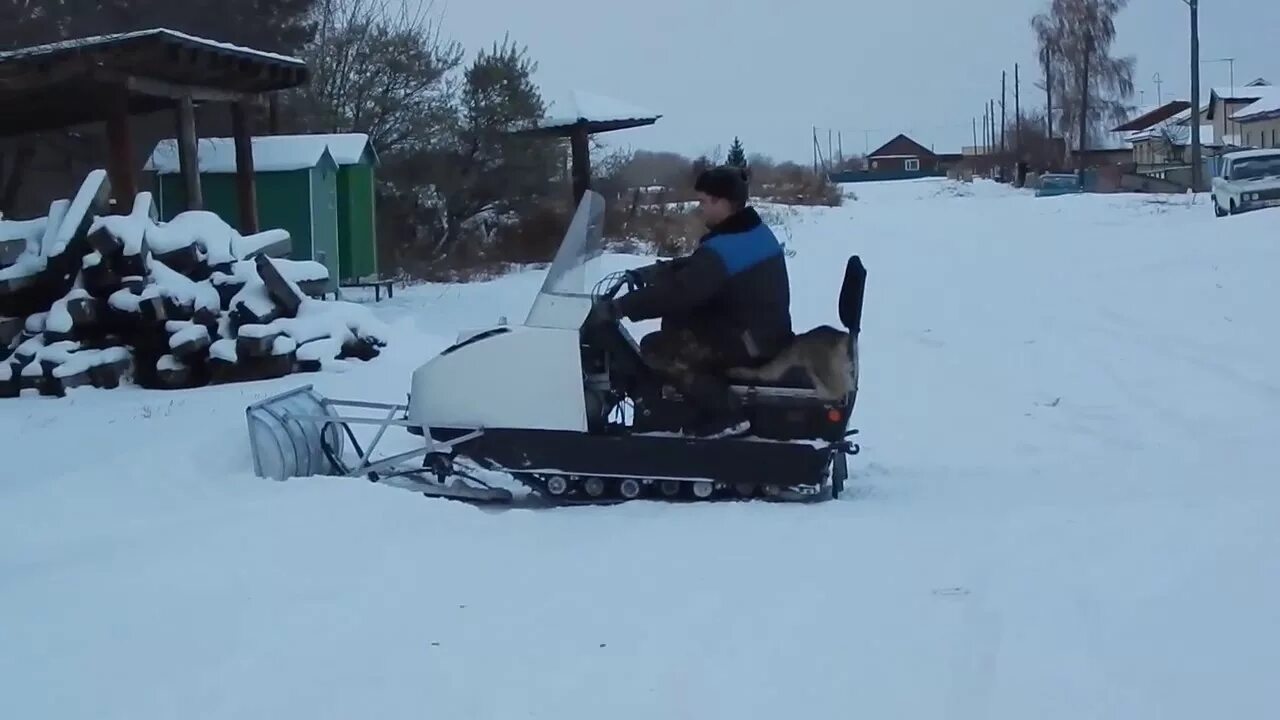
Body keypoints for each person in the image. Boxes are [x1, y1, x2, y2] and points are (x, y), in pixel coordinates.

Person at [588, 164, 793, 438]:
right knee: (678, 325)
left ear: (723, 203)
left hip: (750, 342)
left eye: (705, 202)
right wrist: (656, 271)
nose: (702, 208)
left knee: (658, 347)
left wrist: (622, 307)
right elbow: (699, 267)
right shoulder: (750, 232)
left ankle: (727, 414)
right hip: (762, 331)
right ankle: (687, 406)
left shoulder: (726, 247)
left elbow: (681, 291)